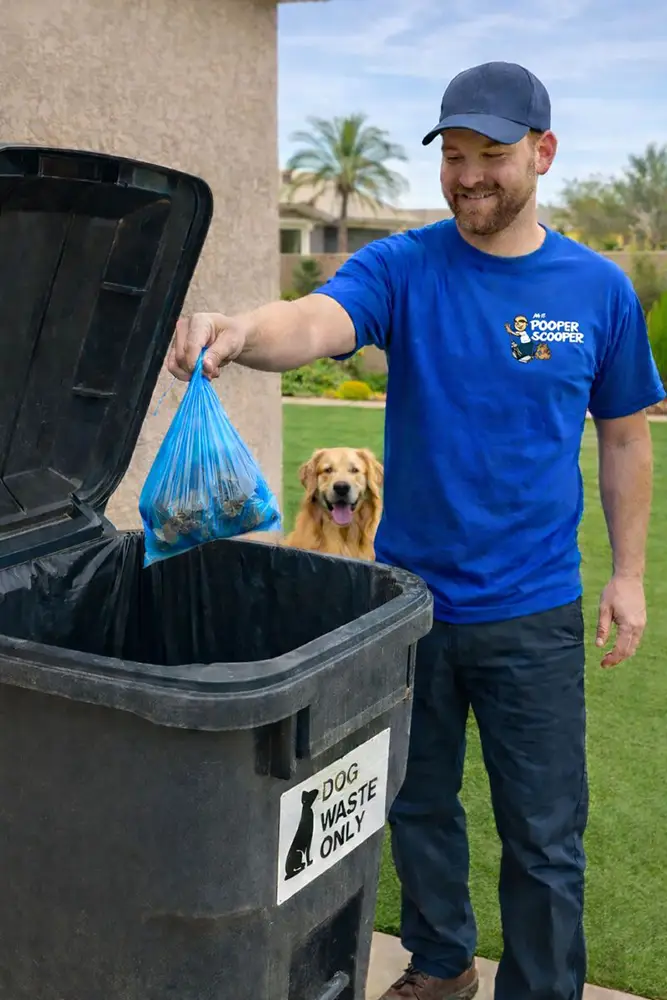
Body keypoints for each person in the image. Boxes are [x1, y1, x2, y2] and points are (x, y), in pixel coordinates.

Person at [169, 61, 665, 1000]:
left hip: (534, 611)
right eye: (455, 156)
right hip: (405, 608)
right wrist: (241, 331)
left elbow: (627, 436)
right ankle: (440, 965)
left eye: (493, 155)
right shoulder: (404, 266)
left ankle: (540, 989)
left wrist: (628, 574)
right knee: (415, 801)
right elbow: (315, 319)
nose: (470, 175)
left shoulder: (595, 290)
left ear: (542, 153)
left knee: (544, 830)